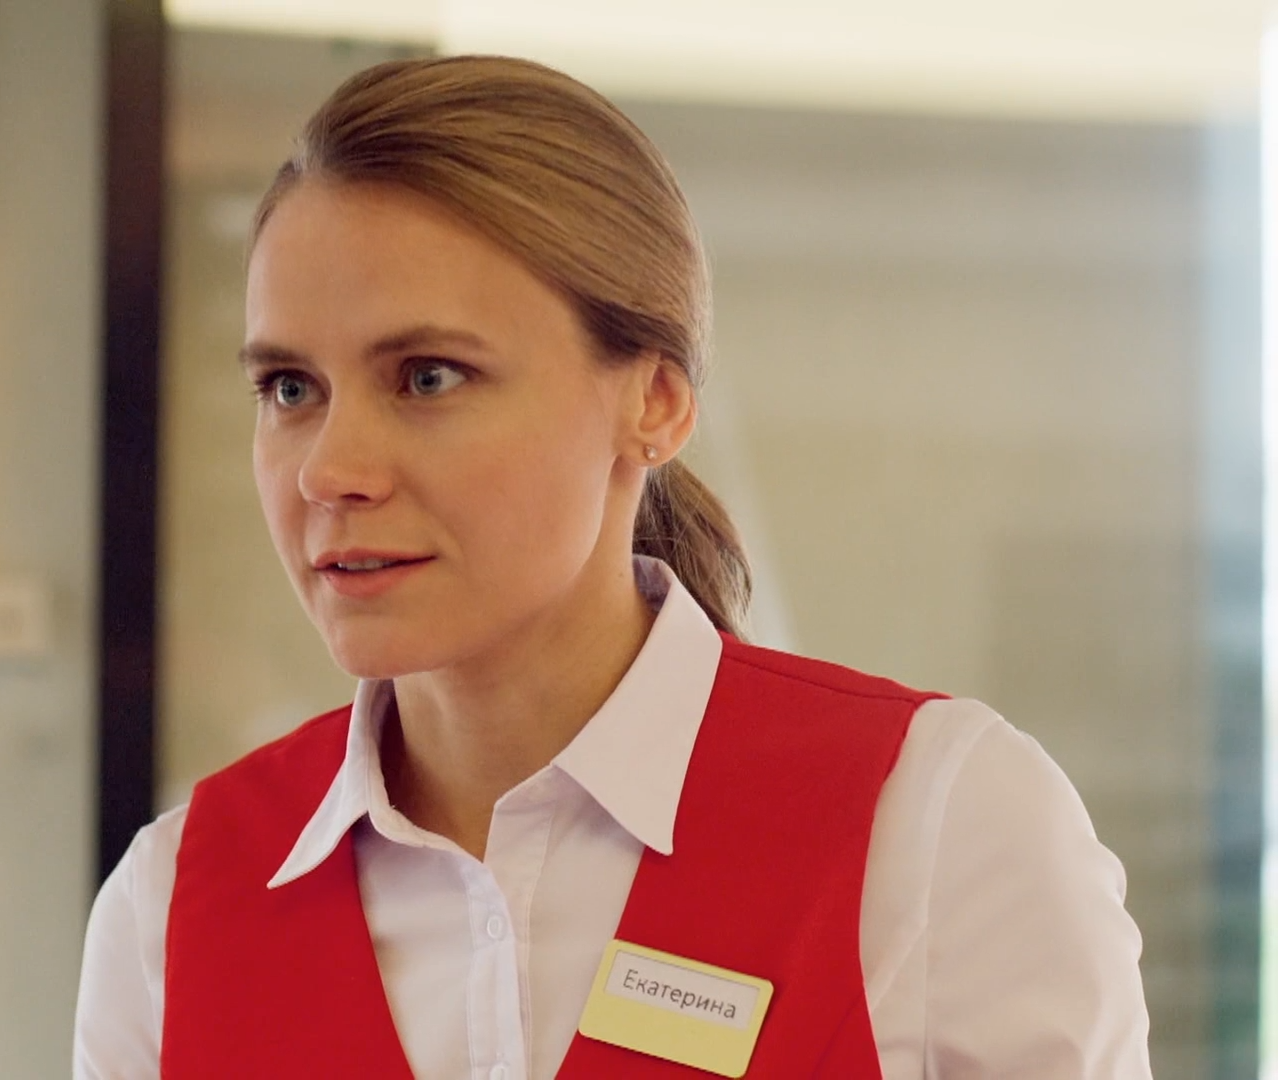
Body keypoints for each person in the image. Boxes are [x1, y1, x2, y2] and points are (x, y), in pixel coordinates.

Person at [74, 55, 1151, 1079]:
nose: (330, 470)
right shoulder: (169, 909)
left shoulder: (943, 830)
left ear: (656, 403)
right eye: (289, 390)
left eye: (429, 376)